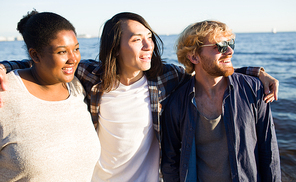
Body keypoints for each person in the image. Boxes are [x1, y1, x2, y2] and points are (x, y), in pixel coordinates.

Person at [0, 12, 279, 181]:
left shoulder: (165, 79)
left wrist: (257, 73)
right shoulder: (90, 78)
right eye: (136, 39)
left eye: (148, 36)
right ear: (115, 47)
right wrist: (4, 68)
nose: (148, 45)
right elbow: (43, 63)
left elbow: (208, 70)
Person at [161, 20, 281, 182]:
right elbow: (170, 160)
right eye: (220, 46)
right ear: (194, 56)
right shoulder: (177, 103)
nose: (230, 51)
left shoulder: (254, 90)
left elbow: (269, 152)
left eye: (230, 44)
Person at [0, 10, 100, 181]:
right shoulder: (5, 94)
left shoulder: (78, 87)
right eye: (62, 52)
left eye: (76, 49)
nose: (73, 58)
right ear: (35, 55)